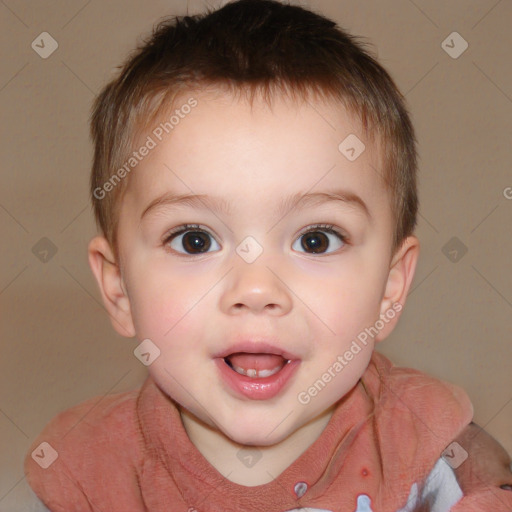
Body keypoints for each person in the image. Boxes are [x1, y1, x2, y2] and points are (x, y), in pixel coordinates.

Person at [24, 1, 512, 510]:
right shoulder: (89, 472)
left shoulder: (432, 446)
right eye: (195, 240)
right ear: (119, 286)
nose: (256, 290)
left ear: (390, 287)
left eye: (316, 240)